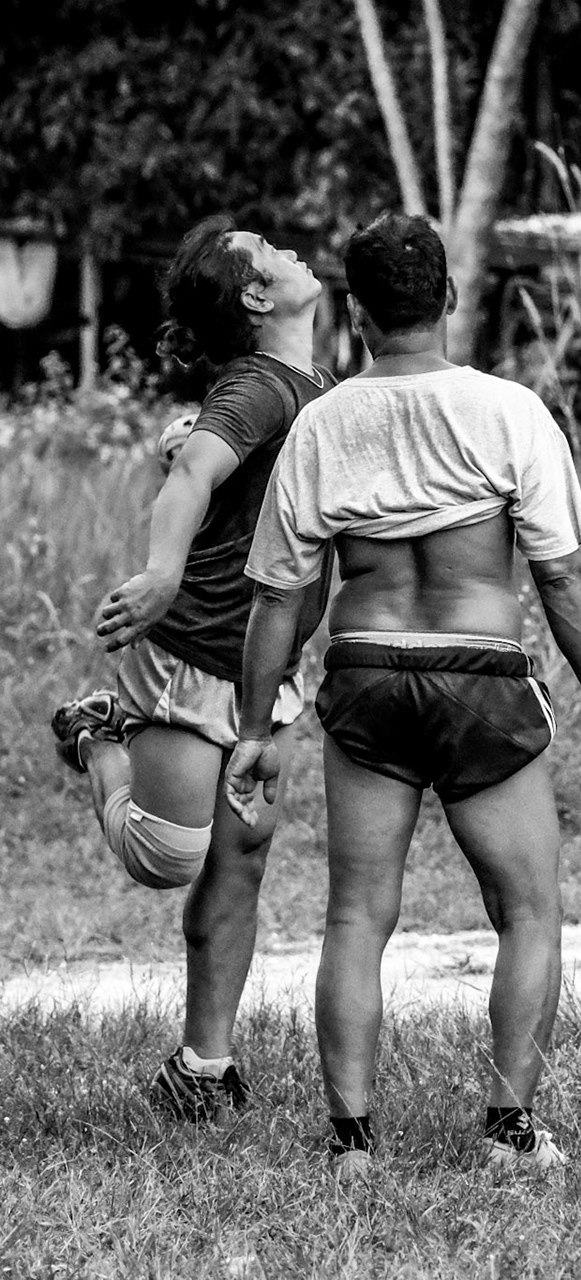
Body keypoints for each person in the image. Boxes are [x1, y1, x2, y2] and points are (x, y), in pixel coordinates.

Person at [222, 213, 581, 1178]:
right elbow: (565, 580)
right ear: (449, 299)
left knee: (357, 917)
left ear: (357, 314)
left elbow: (279, 597)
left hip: (366, 674)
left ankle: (352, 1144)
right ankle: (508, 1132)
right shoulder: (509, 412)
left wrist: (252, 729)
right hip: (480, 674)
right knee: (529, 911)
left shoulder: (322, 423)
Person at [49, 216, 332, 1121]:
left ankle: (203, 1069)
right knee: (169, 858)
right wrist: (163, 573)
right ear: (256, 296)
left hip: (269, 667)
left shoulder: (314, 384)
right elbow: (193, 477)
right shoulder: (256, 386)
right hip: (192, 654)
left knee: (240, 861)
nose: (290, 253)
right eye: (269, 253)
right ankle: (99, 737)